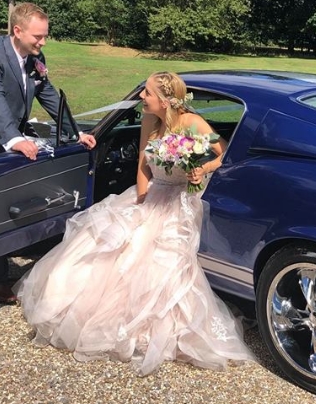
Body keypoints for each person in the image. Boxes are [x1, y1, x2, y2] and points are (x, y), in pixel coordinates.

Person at [13, 72, 255, 375]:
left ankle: (159, 326)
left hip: (180, 199)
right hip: (152, 195)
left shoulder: (192, 123)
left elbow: (221, 153)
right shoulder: (149, 122)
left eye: (147, 94)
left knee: (163, 259)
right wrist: (140, 201)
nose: (142, 98)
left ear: (165, 101)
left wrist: (200, 170)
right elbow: (143, 165)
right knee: (109, 243)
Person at [0, 2, 96, 303]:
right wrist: (14, 139)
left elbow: (50, 95)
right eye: (37, 37)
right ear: (17, 30)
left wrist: (75, 132)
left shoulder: (35, 58)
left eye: (45, 36)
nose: (42, 42)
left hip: (3, 138)